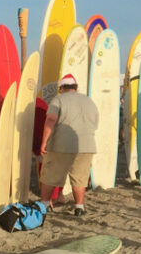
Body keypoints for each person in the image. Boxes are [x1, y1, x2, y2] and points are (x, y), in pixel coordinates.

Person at [38, 74, 99, 216]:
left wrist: (44, 142)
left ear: (61, 88)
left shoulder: (58, 99)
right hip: (86, 146)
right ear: (76, 87)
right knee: (80, 177)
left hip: (61, 144)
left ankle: (46, 204)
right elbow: (95, 124)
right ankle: (79, 207)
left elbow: (51, 120)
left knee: (50, 175)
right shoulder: (89, 101)